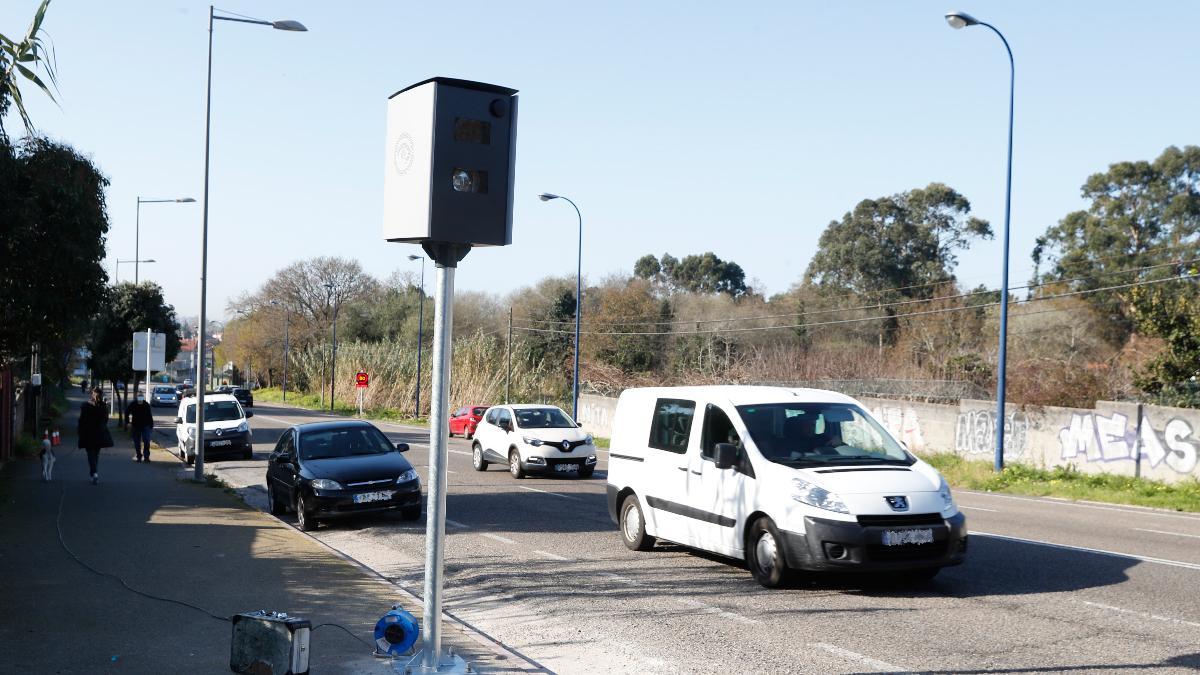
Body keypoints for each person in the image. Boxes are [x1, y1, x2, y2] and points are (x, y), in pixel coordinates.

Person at [77, 387, 113, 484]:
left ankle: (94, 473)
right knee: (96, 454)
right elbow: (106, 420)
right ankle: (94, 473)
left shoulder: (85, 406)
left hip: (88, 433)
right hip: (100, 433)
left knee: (90, 454)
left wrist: (80, 431)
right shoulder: (104, 407)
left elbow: (81, 420)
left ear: (92, 394)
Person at [125, 390, 154, 463]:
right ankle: (139, 456)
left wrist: (151, 425)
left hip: (146, 425)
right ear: (137, 397)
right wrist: (128, 422)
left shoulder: (146, 404)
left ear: (143, 397)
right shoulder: (133, 404)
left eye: (141, 397)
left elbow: (149, 415)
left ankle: (146, 457)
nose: (140, 398)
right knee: (137, 442)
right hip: (136, 426)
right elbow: (126, 412)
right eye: (139, 397)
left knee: (146, 441)